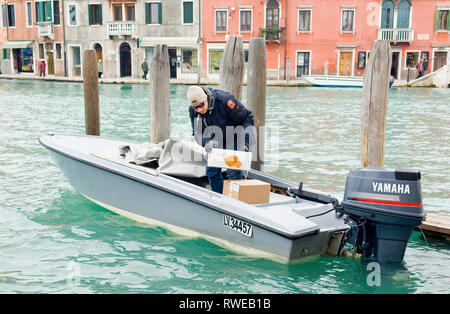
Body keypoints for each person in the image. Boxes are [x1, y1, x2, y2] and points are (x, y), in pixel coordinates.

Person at [187, 85, 255, 194]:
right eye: (196, 107)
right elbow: (197, 133)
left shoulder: (225, 101)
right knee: (211, 172)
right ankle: (219, 197)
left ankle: (235, 201)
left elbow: (247, 119)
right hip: (215, 140)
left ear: (205, 99)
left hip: (236, 137)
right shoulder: (194, 111)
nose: (199, 110)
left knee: (233, 172)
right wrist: (206, 143)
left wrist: (245, 143)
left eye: (201, 105)